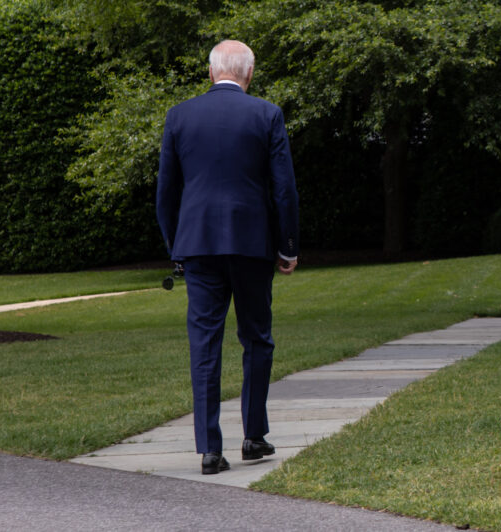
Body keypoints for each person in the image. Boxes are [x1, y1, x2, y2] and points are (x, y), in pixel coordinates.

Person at [156, 40, 300, 475]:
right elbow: (284, 190)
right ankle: (254, 438)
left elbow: (166, 193)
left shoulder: (179, 116)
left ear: (211, 71)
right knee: (256, 337)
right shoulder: (266, 114)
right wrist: (287, 246)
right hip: (252, 244)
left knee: (205, 345)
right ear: (249, 73)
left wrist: (174, 247)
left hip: (198, 245)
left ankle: (209, 449)